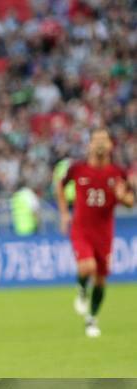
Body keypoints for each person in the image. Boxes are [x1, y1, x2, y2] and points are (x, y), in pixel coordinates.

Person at [56, 128, 134, 338]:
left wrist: (122, 197)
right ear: (89, 144)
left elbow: (130, 201)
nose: (100, 143)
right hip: (81, 229)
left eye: (104, 139)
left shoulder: (118, 173)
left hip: (104, 233)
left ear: (110, 145)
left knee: (100, 280)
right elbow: (60, 186)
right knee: (87, 266)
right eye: (96, 140)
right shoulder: (77, 169)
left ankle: (91, 319)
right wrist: (64, 214)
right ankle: (81, 290)